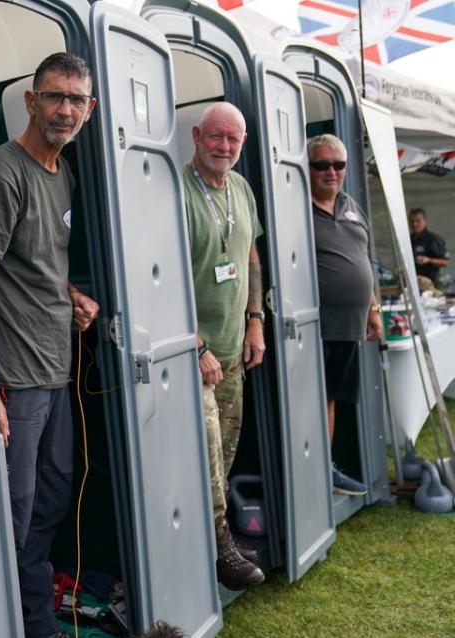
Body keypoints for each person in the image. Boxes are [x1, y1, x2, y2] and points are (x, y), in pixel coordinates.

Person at [0, 52, 100, 638]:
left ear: (90, 109)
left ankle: (36, 617)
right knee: (15, 510)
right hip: (16, 376)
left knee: (52, 496)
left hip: (56, 367)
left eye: (76, 100)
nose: (65, 110)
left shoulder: (64, 172)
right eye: (54, 96)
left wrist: (73, 294)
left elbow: (35, 262)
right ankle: (12, 622)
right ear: (30, 100)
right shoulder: (2, 170)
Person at [183, 102, 266, 590]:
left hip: (235, 350)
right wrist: (194, 345)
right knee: (208, 452)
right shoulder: (175, 191)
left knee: (227, 451)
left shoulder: (241, 188)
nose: (224, 147)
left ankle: (216, 537)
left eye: (233, 140)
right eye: (216, 137)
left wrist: (256, 319)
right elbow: (159, 273)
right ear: (196, 135)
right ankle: (220, 547)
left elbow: (251, 256)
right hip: (198, 356)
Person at [308, 133, 383, 497]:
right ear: (306, 168)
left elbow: (365, 258)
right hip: (313, 328)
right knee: (312, 399)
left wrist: (373, 308)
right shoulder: (296, 208)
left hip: (349, 328)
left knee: (330, 398)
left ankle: (325, 472)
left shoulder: (352, 205)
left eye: (338, 165)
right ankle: (314, 474)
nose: (330, 172)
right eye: (321, 165)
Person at [409, 207, 449, 283]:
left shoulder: (433, 239)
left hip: (431, 282)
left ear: (425, 222)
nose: (414, 224)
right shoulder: (408, 240)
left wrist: (429, 260)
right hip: (413, 282)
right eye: (412, 221)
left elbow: (445, 262)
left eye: (418, 221)